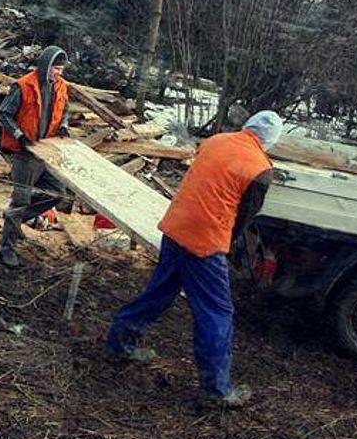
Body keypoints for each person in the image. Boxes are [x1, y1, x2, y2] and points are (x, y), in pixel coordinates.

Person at [106, 110, 283, 408]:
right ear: (270, 141)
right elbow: (243, 219)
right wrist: (224, 246)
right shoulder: (261, 170)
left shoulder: (215, 141)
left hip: (176, 227)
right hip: (204, 242)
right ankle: (217, 389)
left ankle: (120, 342)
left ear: (247, 126)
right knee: (217, 312)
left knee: (160, 291)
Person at [0, 46, 72, 268]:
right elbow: (3, 113)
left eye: (60, 70)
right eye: (55, 69)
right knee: (21, 200)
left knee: (57, 193)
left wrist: (64, 125)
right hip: (25, 154)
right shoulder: (24, 86)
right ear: (45, 67)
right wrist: (19, 136)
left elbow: (65, 109)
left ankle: (14, 220)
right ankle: (6, 249)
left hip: (45, 151)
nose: (58, 73)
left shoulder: (61, 86)